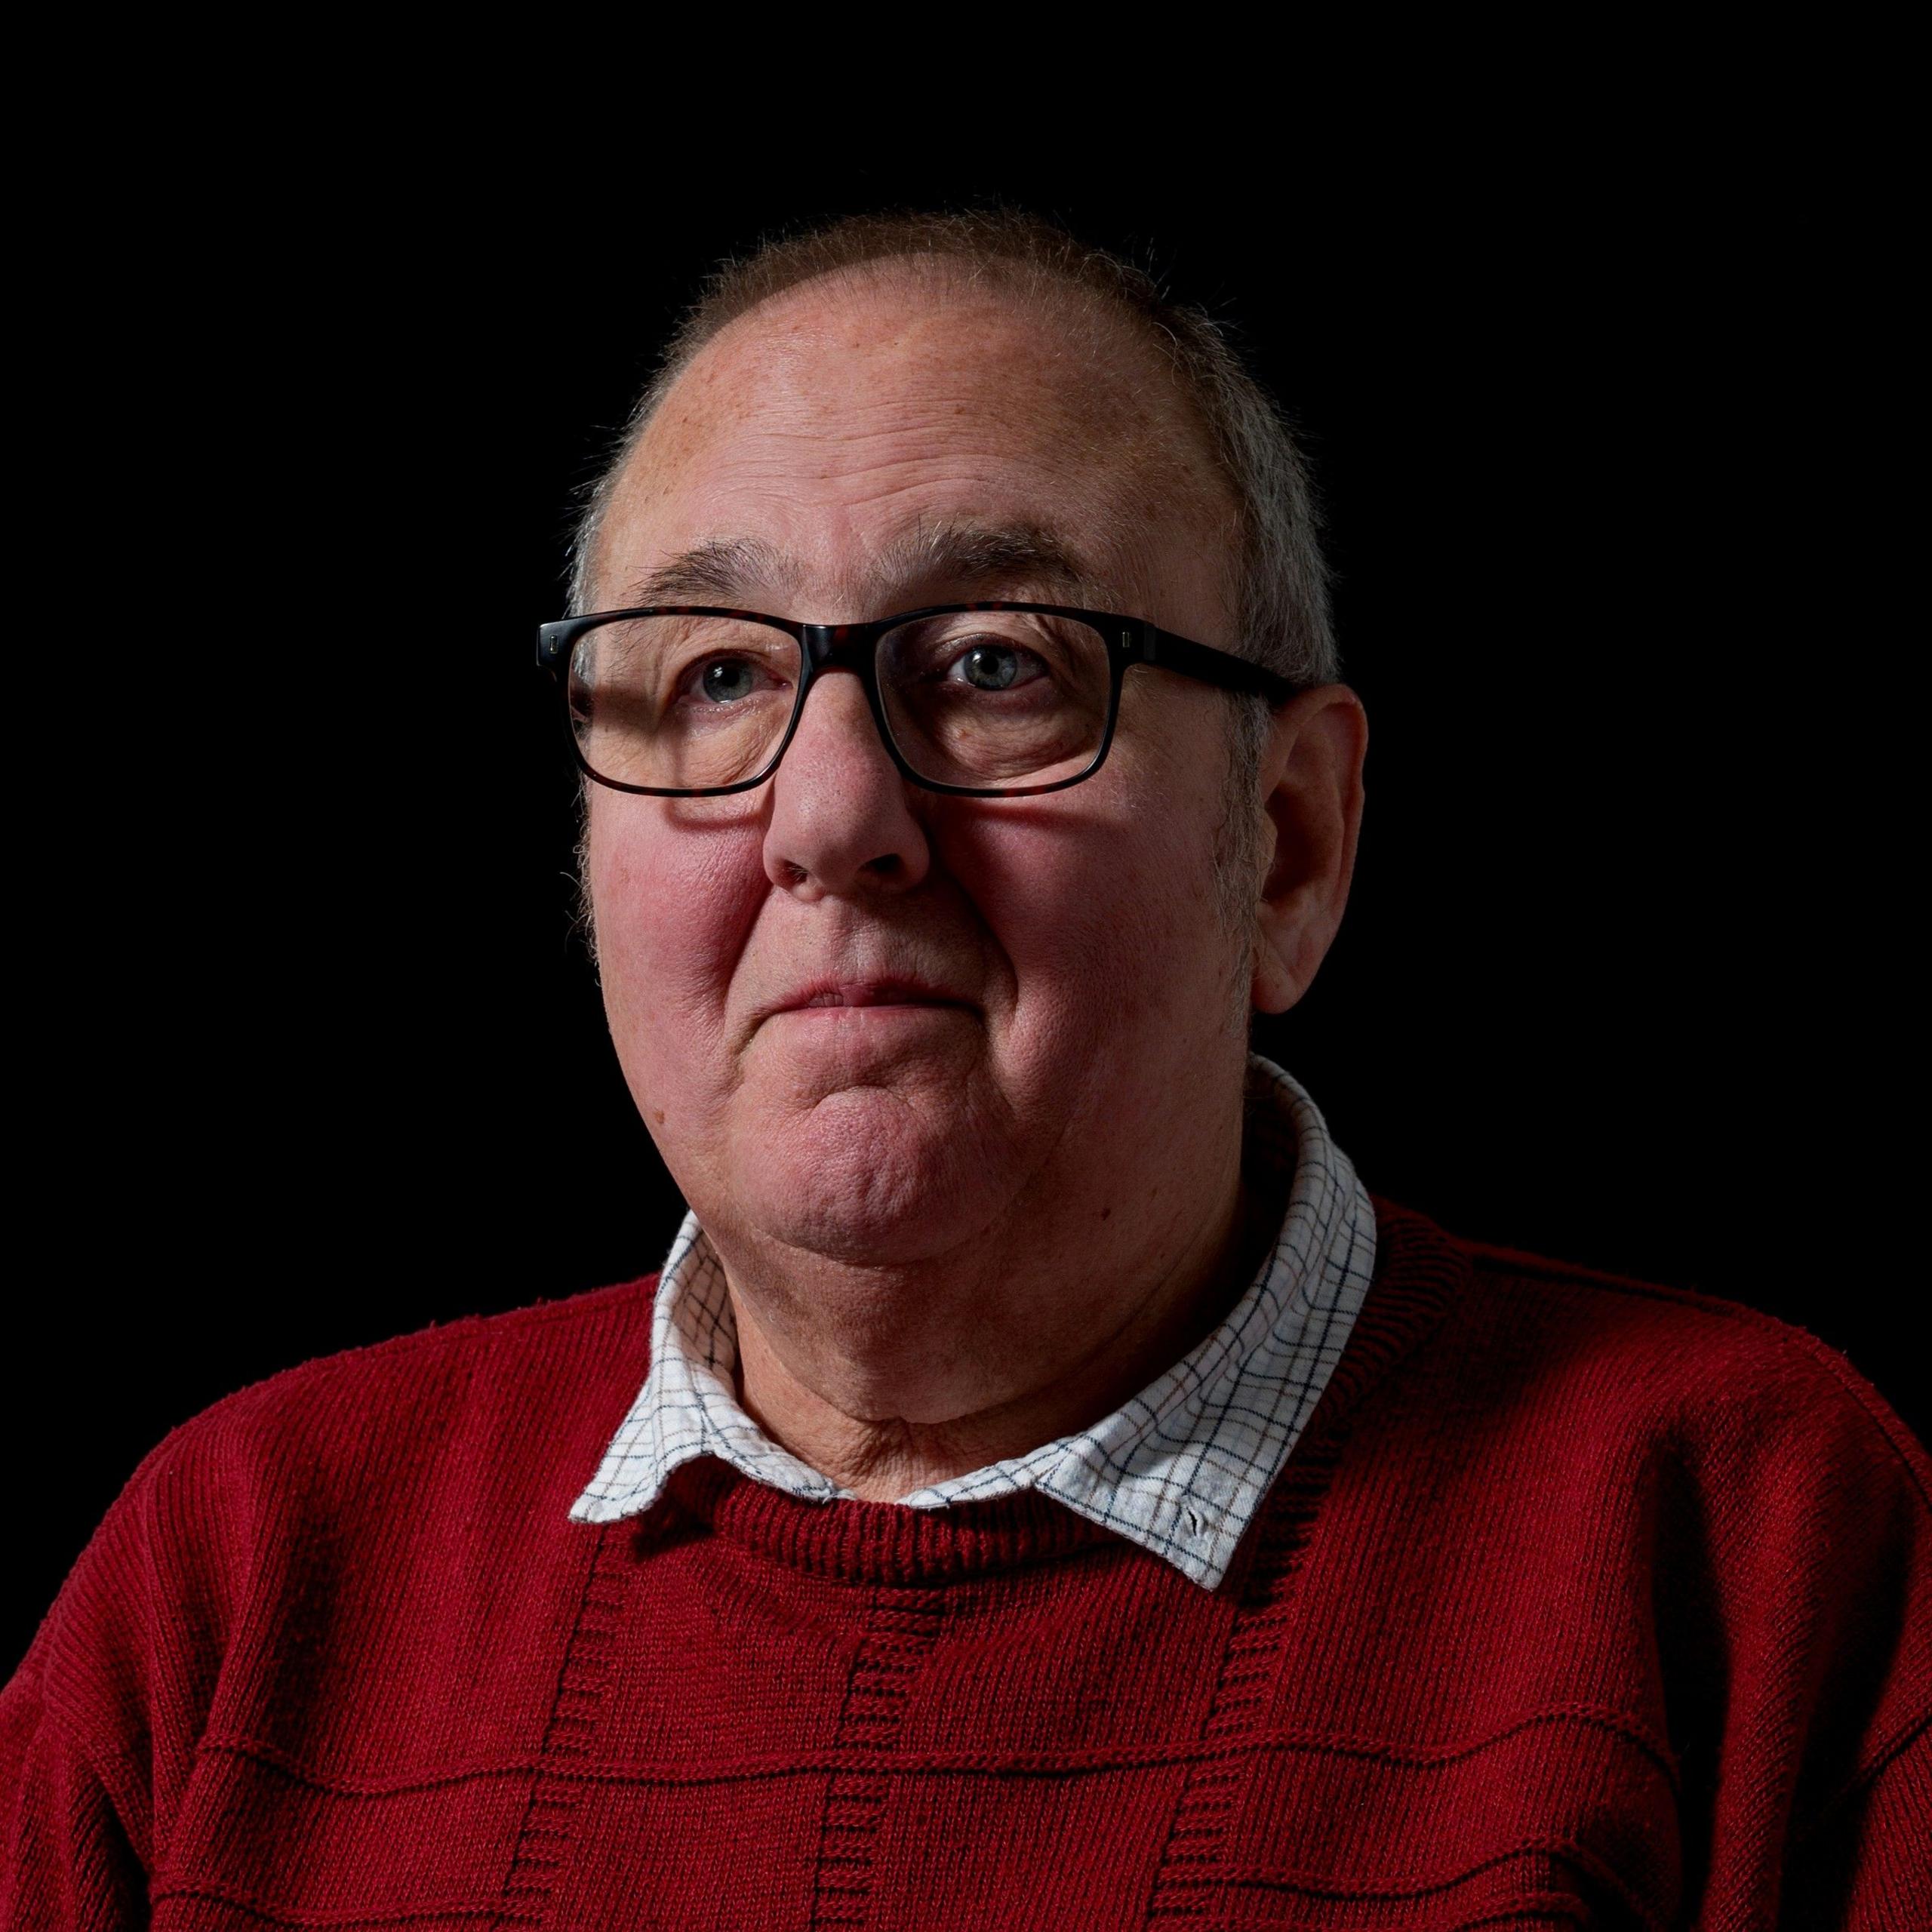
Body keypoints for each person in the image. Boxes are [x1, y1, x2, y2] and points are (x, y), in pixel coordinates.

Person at [5, 208, 1926, 1930]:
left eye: (999, 661)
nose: (830, 815)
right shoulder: (240, 1578)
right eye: (715, 677)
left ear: (1293, 839)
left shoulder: (1755, 1543)